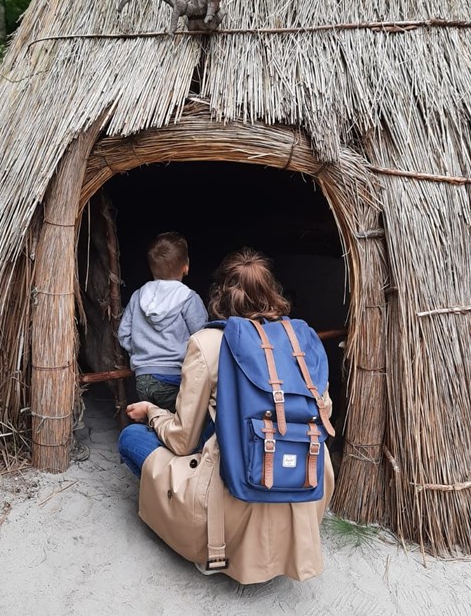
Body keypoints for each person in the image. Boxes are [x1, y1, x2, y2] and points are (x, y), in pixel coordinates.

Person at [117, 248, 335, 585]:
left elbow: (181, 439)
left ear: (218, 294)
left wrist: (152, 413)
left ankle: (203, 537)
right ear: (272, 290)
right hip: (305, 480)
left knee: (131, 439)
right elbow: (325, 413)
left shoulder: (208, 343)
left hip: (231, 493)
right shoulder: (301, 340)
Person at [118, 231, 208, 413]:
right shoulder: (189, 299)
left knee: (150, 417)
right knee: (178, 422)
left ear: (151, 268)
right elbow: (203, 337)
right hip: (175, 377)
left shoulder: (138, 296)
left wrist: (141, 351)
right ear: (186, 267)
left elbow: (123, 334)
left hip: (142, 378)